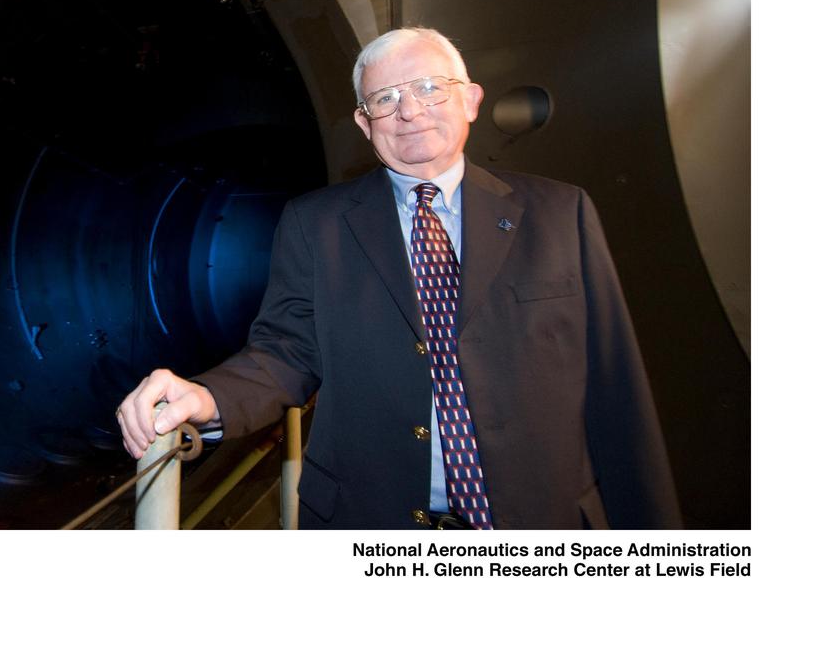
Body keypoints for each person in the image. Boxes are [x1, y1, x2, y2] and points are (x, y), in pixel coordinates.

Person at [116, 27, 681, 529]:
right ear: (365, 124)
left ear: (472, 100)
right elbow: (286, 351)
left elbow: (616, 387)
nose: (409, 111)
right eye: (385, 99)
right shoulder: (316, 223)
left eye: (430, 88)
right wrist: (207, 395)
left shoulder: (562, 213)